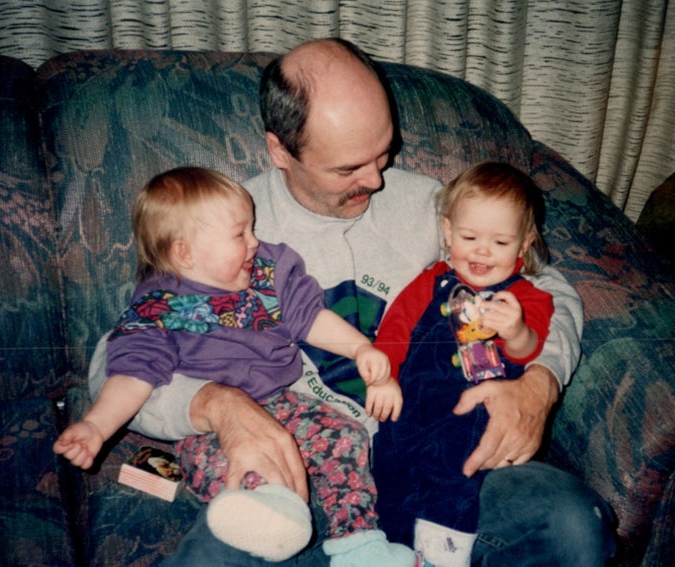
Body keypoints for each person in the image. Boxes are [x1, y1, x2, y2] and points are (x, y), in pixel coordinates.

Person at [88, 38, 616, 566]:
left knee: (570, 525)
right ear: (280, 151)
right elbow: (116, 355)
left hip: (434, 458)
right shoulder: (227, 230)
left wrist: (540, 382)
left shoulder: (427, 204)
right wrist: (217, 405)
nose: (377, 179)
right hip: (299, 478)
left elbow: (550, 287)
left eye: (383, 153)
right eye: (348, 169)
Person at [56, 166, 410, 565]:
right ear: (184, 253)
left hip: (284, 402)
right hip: (210, 430)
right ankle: (269, 512)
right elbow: (134, 373)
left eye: (253, 229)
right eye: (240, 234)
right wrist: (96, 426)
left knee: (347, 437)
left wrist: (361, 349)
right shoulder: (160, 309)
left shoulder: (267, 276)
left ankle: (359, 544)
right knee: (228, 468)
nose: (255, 242)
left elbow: (309, 318)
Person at [372, 162, 556, 566]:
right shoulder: (429, 282)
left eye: (501, 243)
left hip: (472, 407)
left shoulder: (529, 298)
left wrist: (516, 330)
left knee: (454, 467)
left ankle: (443, 549)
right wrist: (382, 377)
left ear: (524, 246)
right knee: (389, 461)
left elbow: (529, 351)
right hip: (411, 401)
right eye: (469, 237)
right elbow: (395, 330)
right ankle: (392, 545)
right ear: (448, 231)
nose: (482, 251)